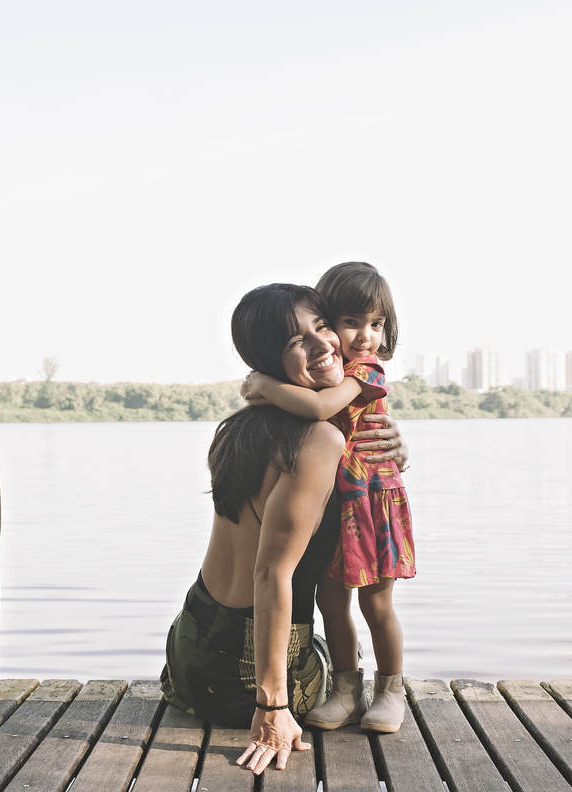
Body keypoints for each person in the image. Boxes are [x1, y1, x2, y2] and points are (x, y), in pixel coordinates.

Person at [160, 282, 410, 775]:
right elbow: (269, 575)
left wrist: (395, 451)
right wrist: (272, 708)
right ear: (269, 361)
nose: (324, 344)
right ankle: (377, 687)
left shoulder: (239, 428)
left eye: (322, 327)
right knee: (333, 651)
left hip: (186, 656)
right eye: (298, 341)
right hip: (244, 678)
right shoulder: (317, 439)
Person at [240, 262, 414, 734]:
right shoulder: (326, 369)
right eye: (351, 322)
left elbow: (318, 407)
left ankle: (391, 690)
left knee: (376, 605)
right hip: (339, 505)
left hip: (373, 501)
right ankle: (346, 690)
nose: (365, 336)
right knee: (331, 602)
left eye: (376, 324)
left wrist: (263, 385)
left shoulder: (366, 372)